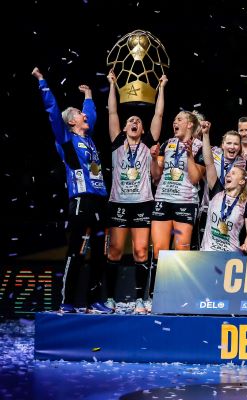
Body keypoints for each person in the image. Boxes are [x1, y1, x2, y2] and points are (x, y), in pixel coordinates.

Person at [32, 67, 112, 313]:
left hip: (99, 201)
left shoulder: (89, 138)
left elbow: (92, 115)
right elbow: (53, 111)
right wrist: (42, 81)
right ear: (70, 121)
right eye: (79, 113)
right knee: (76, 251)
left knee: (99, 252)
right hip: (80, 201)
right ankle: (67, 301)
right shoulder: (66, 140)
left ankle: (94, 301)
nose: (84, 115)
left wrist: (88, 96)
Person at [104, 70, 166, 314]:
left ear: (142, 129)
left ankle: (141, 299)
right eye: (131, 120)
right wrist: (112, 85)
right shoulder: (117, 143)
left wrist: (161, 88)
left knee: (141, 252)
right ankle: (110, 298)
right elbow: (112, 112)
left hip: (142, 203)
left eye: (138, 121)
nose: (134, 122)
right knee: (115, 251)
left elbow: (158, 114)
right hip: (118, 203)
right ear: (125, 127)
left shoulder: (149, 145)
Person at [150, 110, 205, 306]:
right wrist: (153, 158)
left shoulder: (200, 147)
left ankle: (179, 298)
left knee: (181, 250)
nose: (175, 122)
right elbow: (156, 175)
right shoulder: (167, 144)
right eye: (174, 119)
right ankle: (155, 297)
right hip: (163, 199)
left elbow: (196, 178)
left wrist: (189, 155)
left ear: (190, 124)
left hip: (185, 202)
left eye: (179, 119)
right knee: (159, 250)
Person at [200, 124, 247, 252]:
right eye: (229, 143)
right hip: (208, 253)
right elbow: (209, 164)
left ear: (242, 180)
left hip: (231, 255)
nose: (228, 175)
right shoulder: (217, 192)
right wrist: (206, 134)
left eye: (233, 173)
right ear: (223, 145)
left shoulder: (246, 203)